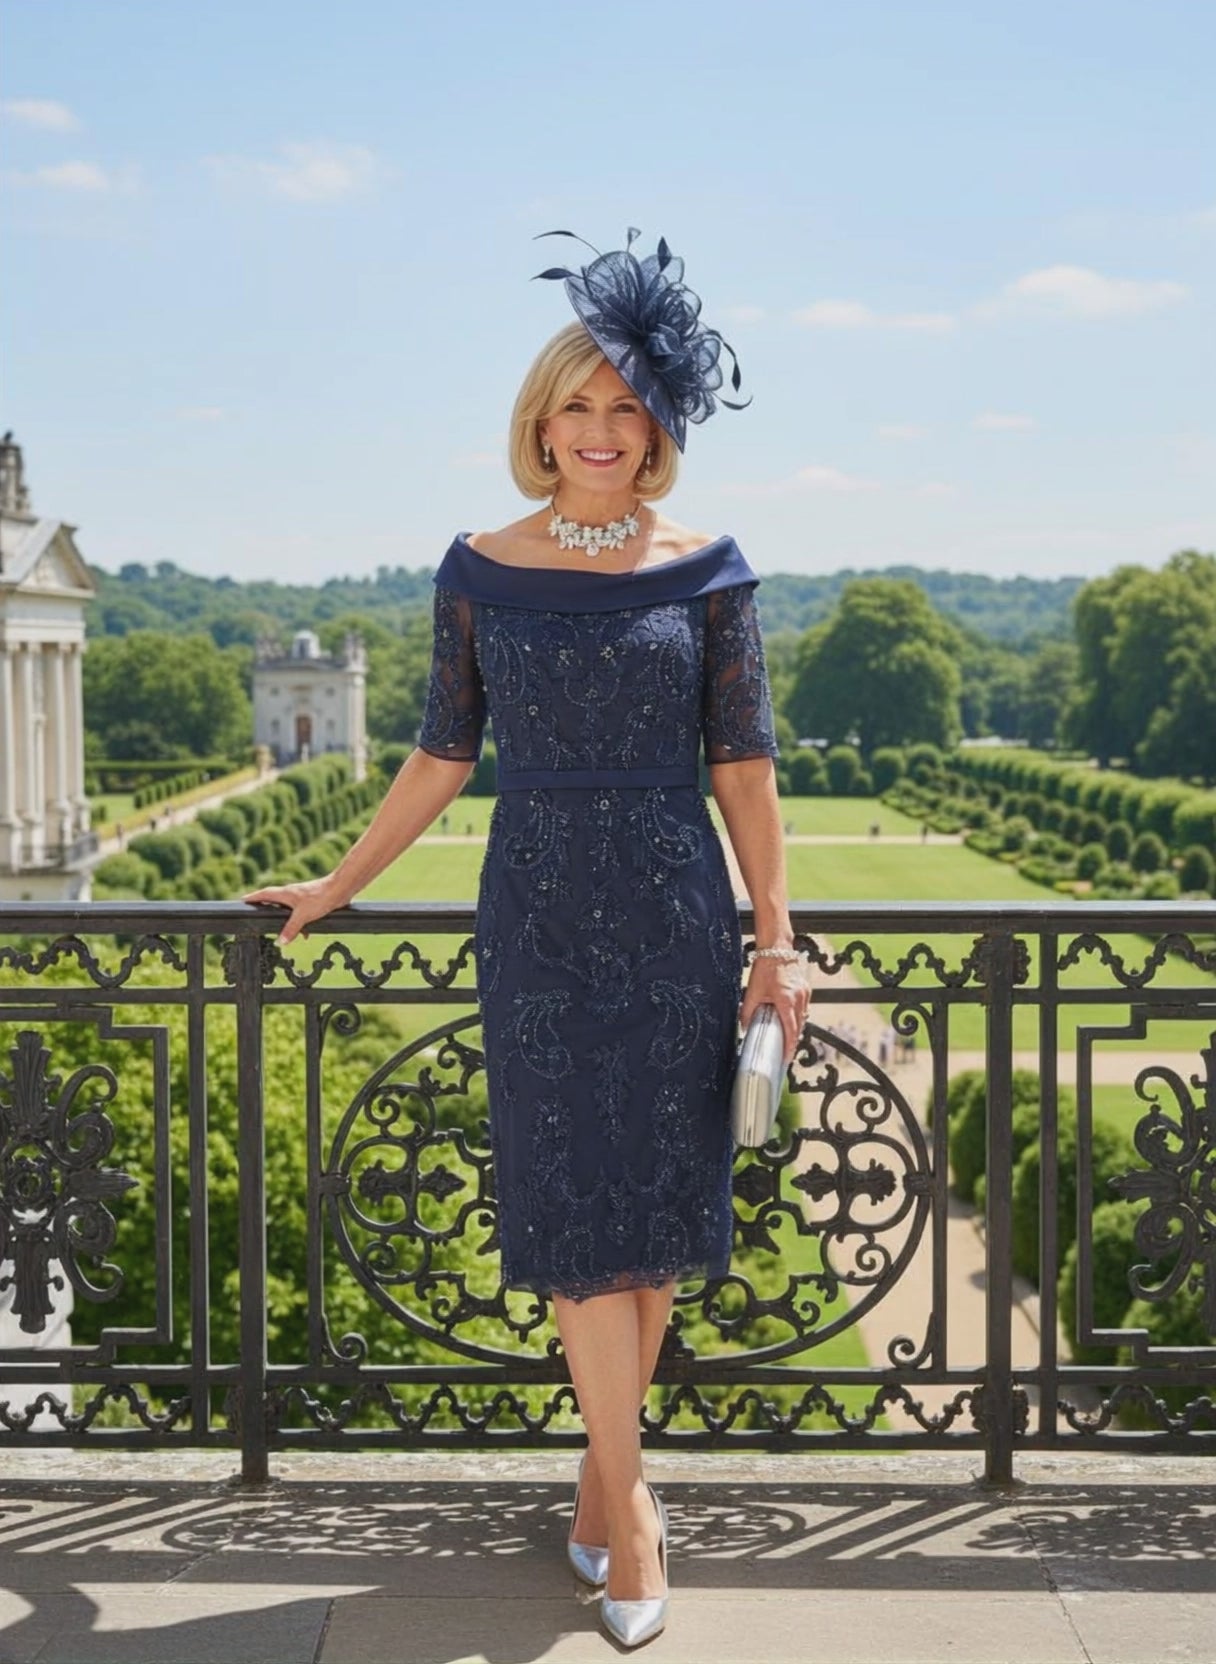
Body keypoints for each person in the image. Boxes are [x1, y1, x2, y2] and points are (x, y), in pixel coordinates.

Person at [243, 226, 809, 1650]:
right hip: (540, 918)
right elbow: (440, 755)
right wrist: (334, 886)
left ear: (657, 426)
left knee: (657, 1231)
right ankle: (636, 1521)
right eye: (578, 406)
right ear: (538, 424)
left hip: (678, 911)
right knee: (574, 1226)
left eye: (627, 407)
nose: (603, 432)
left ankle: (599, 1487)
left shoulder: (715, 571)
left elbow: (746, 769)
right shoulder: (477, 569)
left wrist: (776, 943)